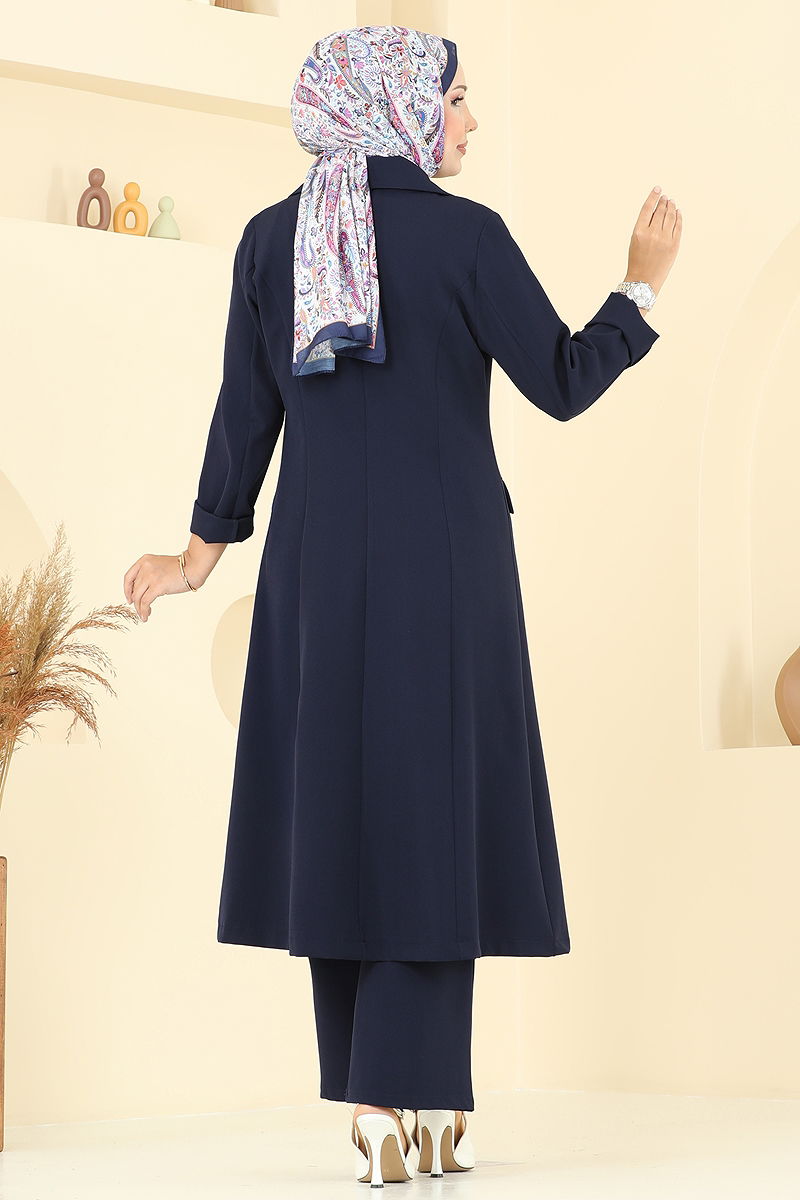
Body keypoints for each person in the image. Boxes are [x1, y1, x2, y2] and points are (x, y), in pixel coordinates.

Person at [123, 24, 681, 1184]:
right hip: (446, 566)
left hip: (314, 570)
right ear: (395, 105)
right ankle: (399, 1094)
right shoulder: (462, 237)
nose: (469, 120)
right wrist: (638, 284)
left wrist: (195, 559)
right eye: (454, 98)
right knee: (432, 812)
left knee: (344, 813)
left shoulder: (271, 240)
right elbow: (561, 379)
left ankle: (398, 1103)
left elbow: (244, 417)